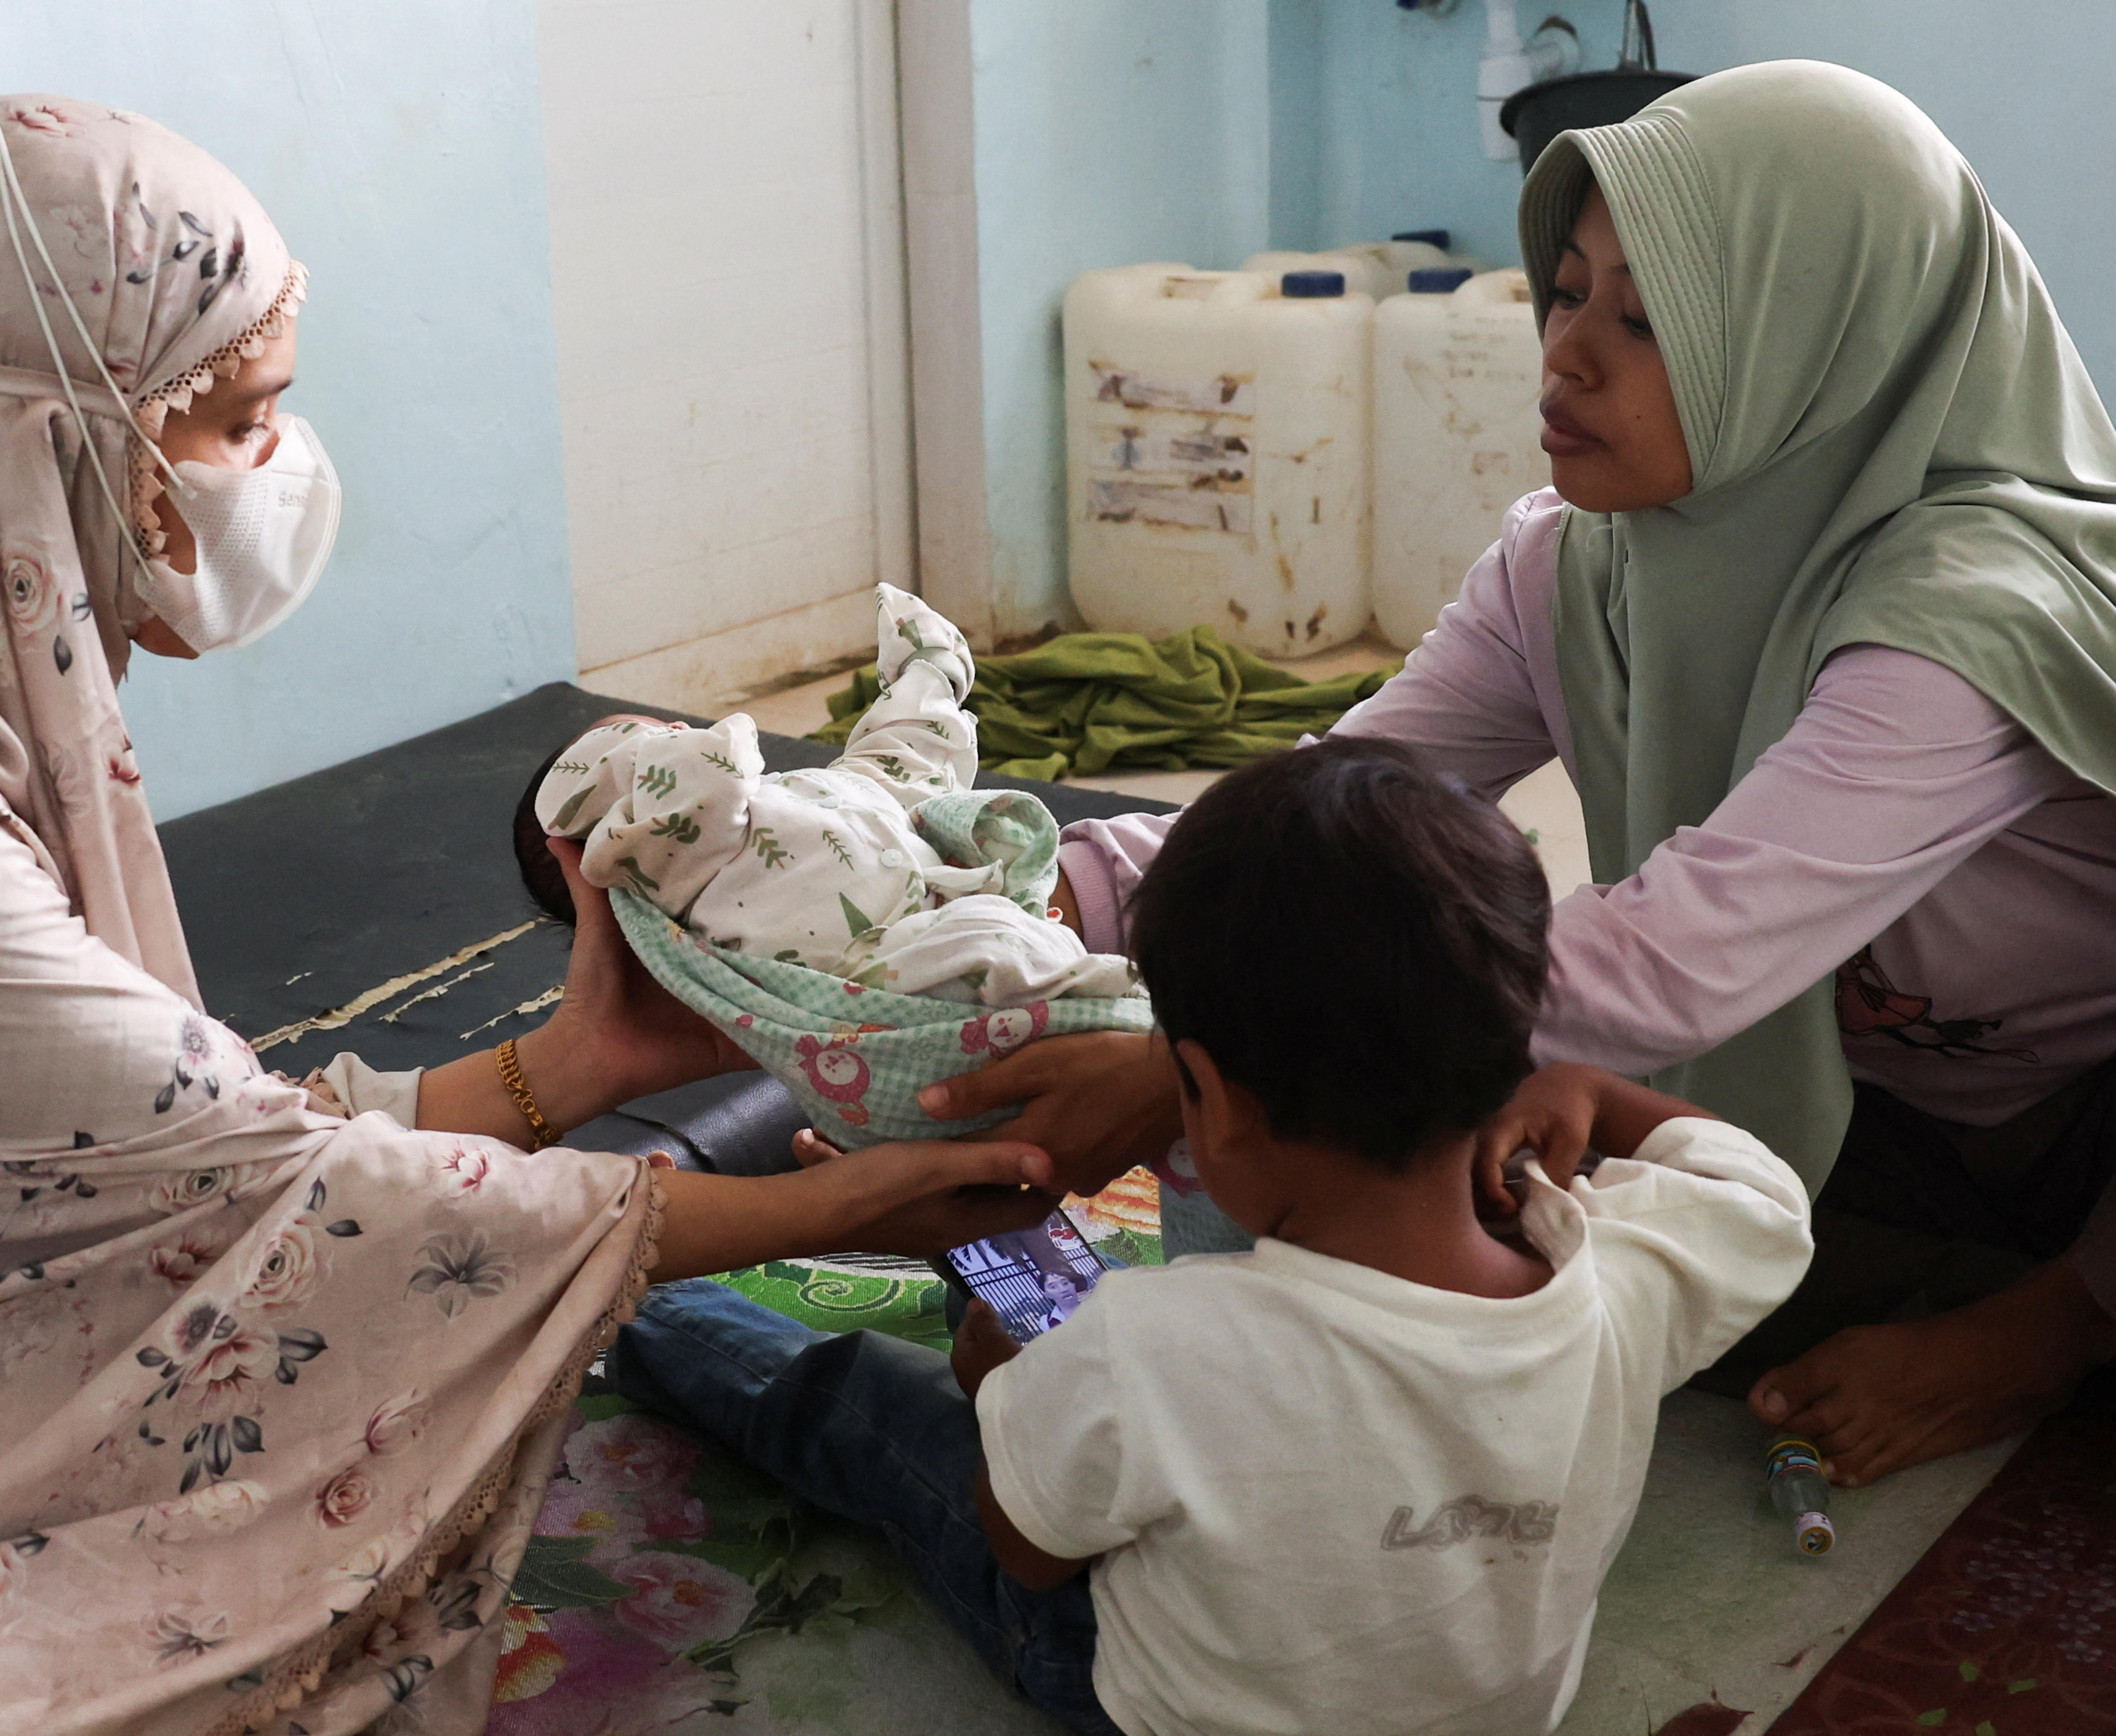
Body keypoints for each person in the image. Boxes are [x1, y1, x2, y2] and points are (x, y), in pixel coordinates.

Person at [0, 98, 1062, 1733]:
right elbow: (271, 1205)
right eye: (244, 419)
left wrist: (578, 1065)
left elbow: (154, 1164)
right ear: (65, 434)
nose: (279, 470)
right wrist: (833, 1205)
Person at [918, 59, 2116, 1492]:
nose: (1567, 358)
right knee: (1421, 1218)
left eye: (1648, 321)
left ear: (1821, 343)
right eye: (1565, 292)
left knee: (1386, 1127)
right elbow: (1324, 816)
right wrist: (997, 907)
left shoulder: (1973, 610)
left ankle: (2050, 1326)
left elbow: (1670, 961)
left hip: (2081, 1119)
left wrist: (1198, 1061)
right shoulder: (1577, 562)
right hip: (1855, 1092)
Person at [615, 740, 1812, 1736]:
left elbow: (1026, 1552)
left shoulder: (1154, 1345)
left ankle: (625, 1298)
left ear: (1213, 1099)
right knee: (1084, 1360)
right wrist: (1592, 1090)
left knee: (878, 1408)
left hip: (1134, 1691)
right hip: (1492, 1710)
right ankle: (987, 1246)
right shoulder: (1621, 1276)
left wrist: (994, 1370)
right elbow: (1757, 1193)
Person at [527, 584, 1132, 1005]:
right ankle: (1107, 996)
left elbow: (887, 770)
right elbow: (700, 778)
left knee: (901, 768)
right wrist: (688, 748)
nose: (678, 730)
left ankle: (931, 674)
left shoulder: (775, 801)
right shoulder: (679, 854)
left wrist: (926, 673)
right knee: (988, 946)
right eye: (648, 738)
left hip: (914, 855)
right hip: (888, 952)